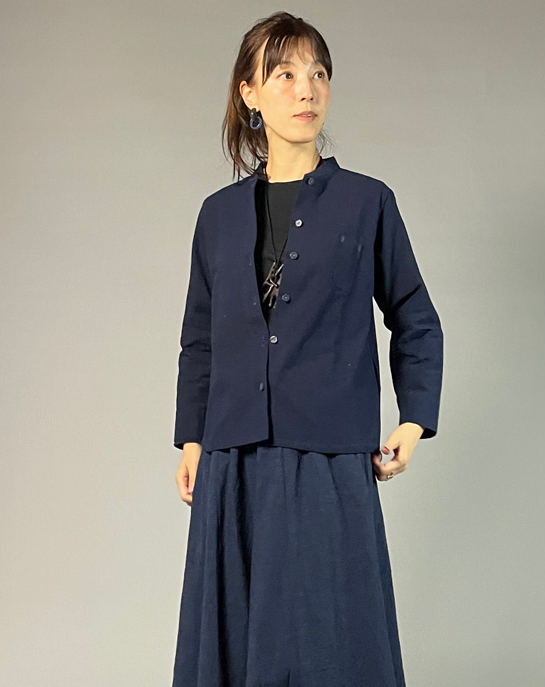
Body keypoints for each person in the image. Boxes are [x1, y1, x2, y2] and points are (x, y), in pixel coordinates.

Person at [171, 11, 444, 687]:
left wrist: (414, 420)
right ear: (250, 93)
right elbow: (199, 338)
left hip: (328, 459)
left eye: (319, 73)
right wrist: (193, 439)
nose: (307, 89)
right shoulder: (216, 215)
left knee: (331, 642)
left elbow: (415, 317)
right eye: (286, 74)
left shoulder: (367, 203)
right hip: (232, 461)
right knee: (235, 642)